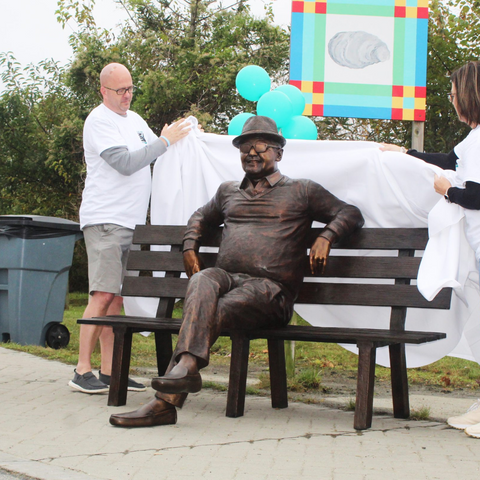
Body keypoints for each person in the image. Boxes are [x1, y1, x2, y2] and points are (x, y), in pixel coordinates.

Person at [109, 115, 365, 428]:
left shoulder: (302, 190)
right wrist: (190, 246)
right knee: (203, 278)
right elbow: (200, 217)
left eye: (261, 146)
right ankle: (182, 375)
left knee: (214, 308)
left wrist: (326, 236)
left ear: (279, 153)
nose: (252, 152)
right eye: (245, 147)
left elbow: (350, 213)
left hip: (271, 292)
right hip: (227, 279)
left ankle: (171, 391)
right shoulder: (228, 191)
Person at [69, 63, 191, 394]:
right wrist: (165, 141)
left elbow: (160, 148)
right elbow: (126, 163)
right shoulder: (99, 121)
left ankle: (110, 371)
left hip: (131, 223)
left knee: (117, 299)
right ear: (103, 92)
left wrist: (179, 138)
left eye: (131, 88)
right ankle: (82, 369)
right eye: (120, 90)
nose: (127, 96)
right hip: (105, 220)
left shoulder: (134, 121)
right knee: (102, 292)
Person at [381, 61, 480, 439]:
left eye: (454, 94)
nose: (452, 100)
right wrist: (405, 154)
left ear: (469, 94)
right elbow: (449, 162)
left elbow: (476, 194)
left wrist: (448, 192)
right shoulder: (473, 139)